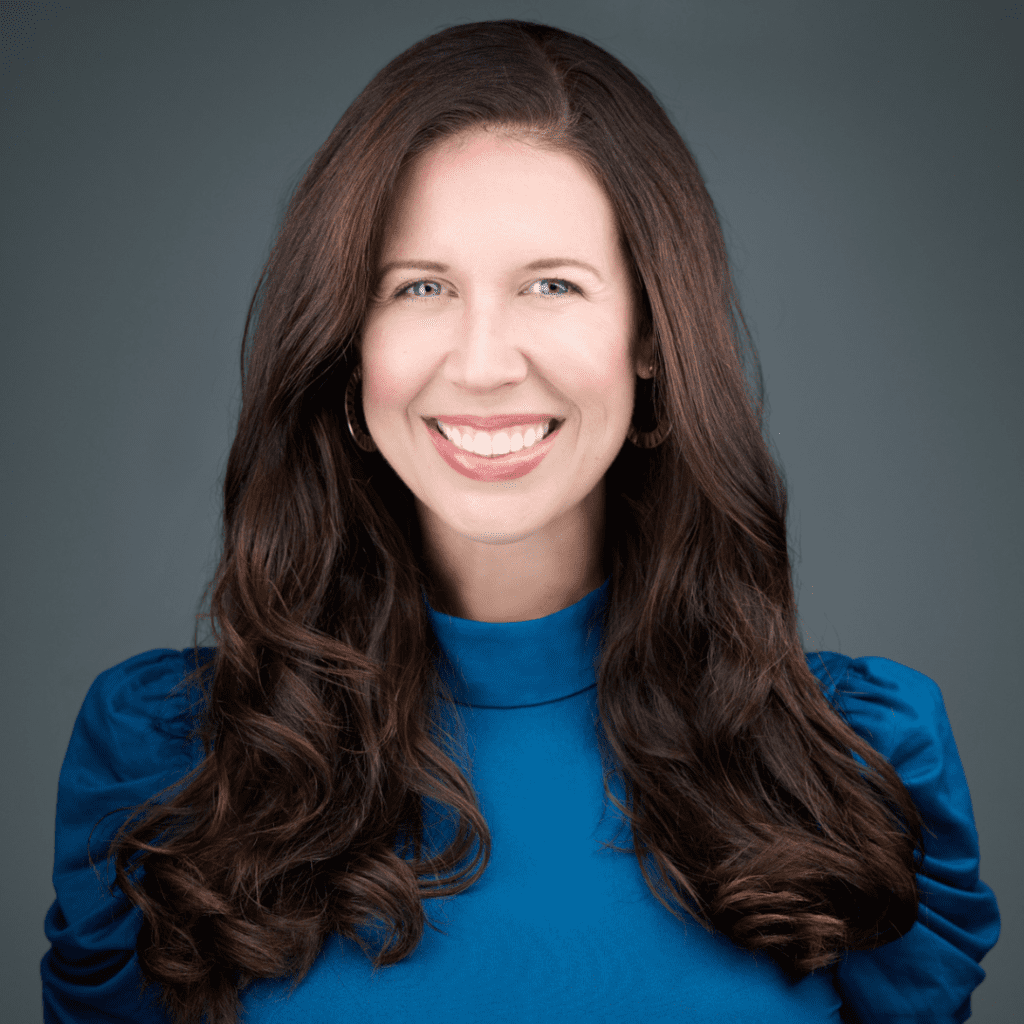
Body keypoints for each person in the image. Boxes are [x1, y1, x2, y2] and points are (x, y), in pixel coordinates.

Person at [41, 19, 999, 1024]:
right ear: (346, 350)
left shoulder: (856, 765)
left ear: (649, 337)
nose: (485, 362)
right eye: (419, 287)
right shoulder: (167, 766)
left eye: (551, 285)